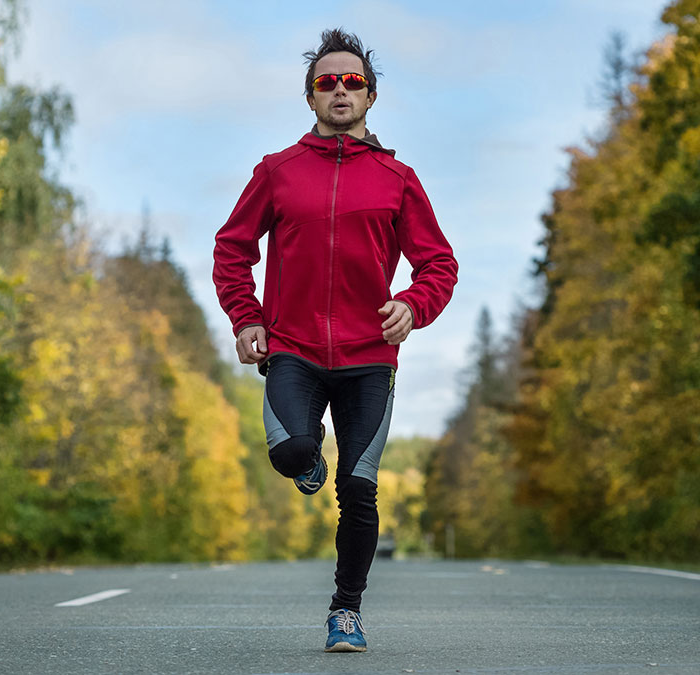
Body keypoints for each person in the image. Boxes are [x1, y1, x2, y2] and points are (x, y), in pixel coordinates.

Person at [212, 28, 458, 653]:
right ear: (311, 97)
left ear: (370, 97)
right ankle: (310, 459)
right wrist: (247, 318)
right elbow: (232, 248)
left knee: (361, 487)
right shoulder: (276, 173)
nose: (340, 90)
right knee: (291, 453)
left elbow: (438, 264)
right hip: (291, 349)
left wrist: (413, 304)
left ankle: (345, 610)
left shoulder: (397, 179)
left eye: (353, 82)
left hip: (370, 358)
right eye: (328, 81)